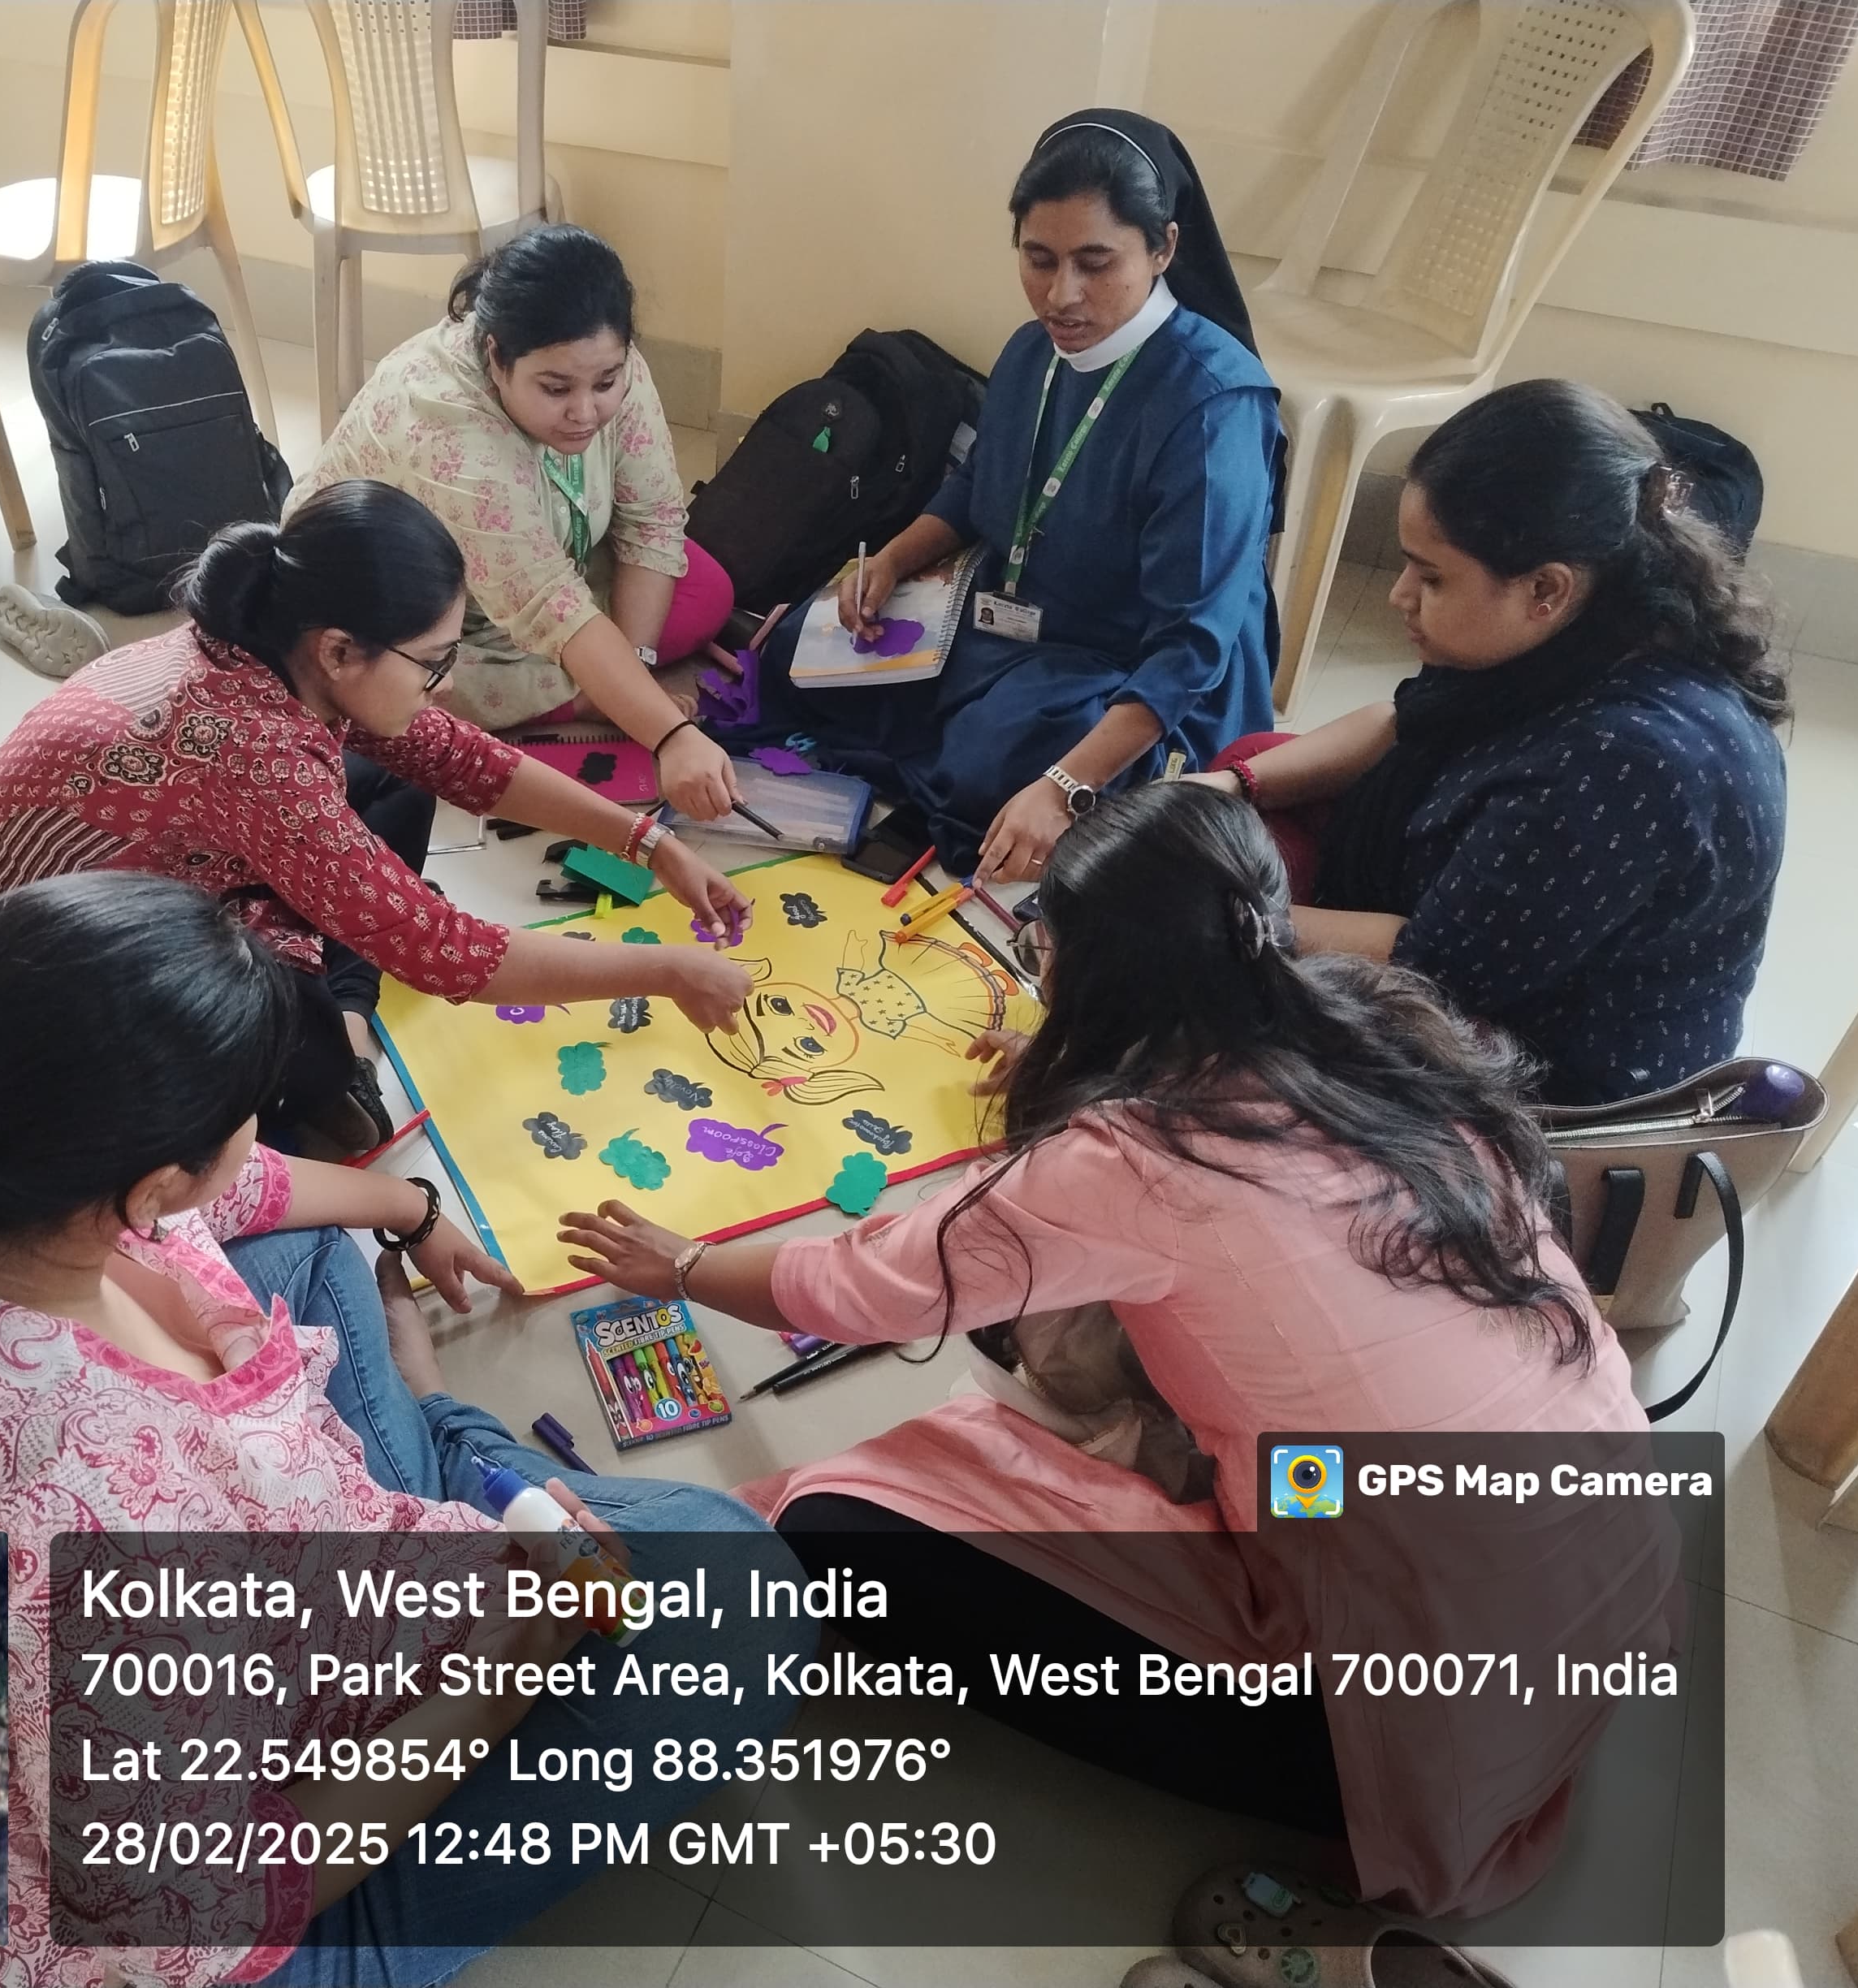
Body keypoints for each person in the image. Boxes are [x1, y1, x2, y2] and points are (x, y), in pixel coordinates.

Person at [557, 782, 1677, 1917]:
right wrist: (1089, 1056)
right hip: (1605, 1596)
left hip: (1398, 1714)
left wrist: (684, 1265)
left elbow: (862, 1289)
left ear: (1100, 976)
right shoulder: (1380, 1033)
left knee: (831, 1528)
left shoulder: (1131, 1159)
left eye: (1045, 954)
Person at [0, 872, 810, 1987]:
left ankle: (443, 1457)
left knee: (311, 1248)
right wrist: (515, 1653)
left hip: (18, 1703)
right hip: (135, 1923)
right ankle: (449, 1446)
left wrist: (412, 1209)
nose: (253, 1138)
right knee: (733, 1582)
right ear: (149, 1185)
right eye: (241, 1117)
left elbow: (241, 1193)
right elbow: (198, 1906)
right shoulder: (101, 1525)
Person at [0, 479, 756, 1155]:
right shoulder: (254, 752)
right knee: (308, 1061)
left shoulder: (268, 642)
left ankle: (341, 1000)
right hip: (48, 1005)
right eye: (434, 662)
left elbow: (463, 759)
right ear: (337, 650)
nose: (445, 687)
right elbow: (448, 952)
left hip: (119, 893)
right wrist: (670, 970)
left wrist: (647, 840)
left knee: (401, 778)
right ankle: (340, 1031)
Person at [1192, 379, 1789, 1105]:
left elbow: (1432, 969)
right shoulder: (1593, 621)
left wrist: (1219, 915)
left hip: (1547, 1069)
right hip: (1492, 932)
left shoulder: (1620, 763)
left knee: (1202, 977)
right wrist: (1226, 789)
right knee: (1245, 769)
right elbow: (1405, 719)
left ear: (1545, 590)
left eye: (1431, 576)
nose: (1399, 595)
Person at [734, 111, 1282, 880]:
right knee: (803, 647)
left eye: (1096, 263)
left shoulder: (1213, 405)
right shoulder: (1034, 350)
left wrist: (1063, 789)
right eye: (1039, 259)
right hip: (1010, 621)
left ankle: (1024, 769)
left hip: (1126, 670)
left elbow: (1192, 647)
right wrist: (887, 564)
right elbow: (979, 484)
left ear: (1164, 248)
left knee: (1002, 757)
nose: (1061, 295)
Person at [293, 224, 744, 820]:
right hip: (410, 614)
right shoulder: (447, 427)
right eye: (556, 389)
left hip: (532, 572)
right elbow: (549, 604)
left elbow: (652, 522)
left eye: (606, 383)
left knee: (705, 587)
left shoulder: (607, 361)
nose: (586, 411)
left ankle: (596, 684)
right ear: (495, 358)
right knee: (389, 681)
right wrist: (668, 734)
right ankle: (572, 695)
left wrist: (633, 671)